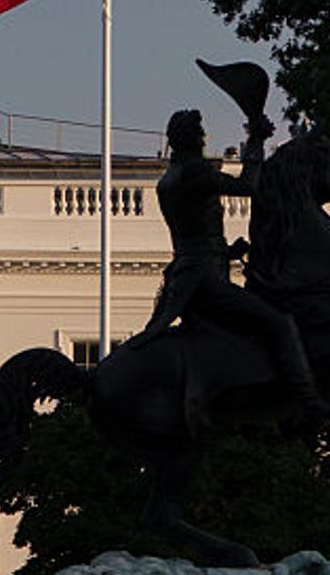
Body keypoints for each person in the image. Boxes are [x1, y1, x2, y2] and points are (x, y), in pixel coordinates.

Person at [132, 106, 327, 431]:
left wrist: (228, 251)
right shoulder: (193, 173)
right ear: (192, 139)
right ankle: (309, 402)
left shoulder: (169, 179)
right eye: (201, 134)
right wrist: (256, 139)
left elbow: (195, 236)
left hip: (191, 272)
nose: (205, 140)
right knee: (279, 323)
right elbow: (250, 185)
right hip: (207, 280)